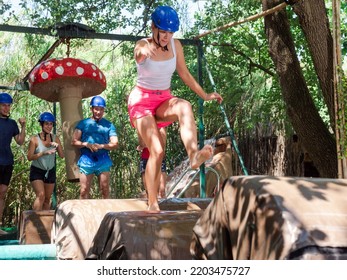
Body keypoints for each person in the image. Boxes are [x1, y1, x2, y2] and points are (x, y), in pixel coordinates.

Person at [127, 6, 223, 211]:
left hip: (163, 99)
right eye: (163, 31)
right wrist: (143, 52)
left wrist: (205, 95)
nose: (166, 36)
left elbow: (185, 74)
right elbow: (139, 53)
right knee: (157, 150)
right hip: (141, 102)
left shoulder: (175, 45)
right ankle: (153, 202)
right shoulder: (143, 44)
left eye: (170, 32)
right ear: (153, 27)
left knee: (184, 106)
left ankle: (194, 156)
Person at [72, 96, 118, 199]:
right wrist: (87, 144)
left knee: (105, 189)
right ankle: (83, 214)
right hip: (86, 158)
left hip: (103, 158)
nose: (98, 112)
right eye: (96, 109)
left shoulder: (109, 125)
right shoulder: (83, 123)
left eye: (101, 109)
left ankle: (106, 213)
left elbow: (115, 143)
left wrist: (101, 146)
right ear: (91, 109)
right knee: (84, 191)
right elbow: (74, 141)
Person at [27, 112, 64, 210]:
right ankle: (34, 221)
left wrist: (58, 146)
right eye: (46, 124)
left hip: (50, 171)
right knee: (41, 195)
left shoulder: (55, 138)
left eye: (51, 124)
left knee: (47, 199)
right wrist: (43, 153)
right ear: (42, 124)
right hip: (37, 171)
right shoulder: (34, 139)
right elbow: (29, 157)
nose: (49, 126)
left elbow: (62, 156)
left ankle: (44, 224)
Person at [0, 92, 26, 226]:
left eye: (8, 105)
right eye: (3, 105)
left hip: (7, 162)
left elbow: (20, 141)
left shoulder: (11, 123)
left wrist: (23, 126)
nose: (6, 108)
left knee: (3, 192)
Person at [137, 126, 168, 199]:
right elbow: (142, 143)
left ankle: (162, 209)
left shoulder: (161, 126)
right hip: (145, 158)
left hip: (159, 159)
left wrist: (146, 143)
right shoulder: (142, 123)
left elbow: (162, 144)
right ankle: (152, 207)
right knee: (148, 190)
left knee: (161, 190)